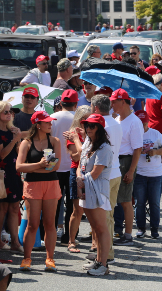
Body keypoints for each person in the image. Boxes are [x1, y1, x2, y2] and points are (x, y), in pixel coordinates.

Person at [16, 111, 61, 272]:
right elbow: (19, 166)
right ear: (38, 124)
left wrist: (35, 168)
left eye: (50, 121)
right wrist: (40, 165)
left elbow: (54, 167)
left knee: (49, 223)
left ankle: (50, 259)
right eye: (47, 122)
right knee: (33, 224)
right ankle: (26, 259)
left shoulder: (55, 141)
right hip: (32, 185)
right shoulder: (26, 143)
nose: (50, 124)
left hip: (51, 184)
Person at [86, 95, 122, 264]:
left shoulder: (102, 125)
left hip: (103, 176)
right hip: (114, 173)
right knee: (108, 218)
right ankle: (104, 254)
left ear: (96, 108)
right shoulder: (117, 122)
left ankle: (106, 256)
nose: (88, 128)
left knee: (103, 220)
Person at [77, 113, 113, 276]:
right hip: (86, 188)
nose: (88, 128)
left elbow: (96, 173)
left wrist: (80, 179)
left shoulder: (104, 147)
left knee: (101, 228)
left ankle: (103, 264)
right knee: (95, 228)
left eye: (92, 126)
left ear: (100, 128)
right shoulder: (87, 142)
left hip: (98, 191)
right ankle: (98, 261)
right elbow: (80, 164)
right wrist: (79, 177)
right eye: (87, 125)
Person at [0, 102, 24, 253]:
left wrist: (18, 139)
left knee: (14, 207)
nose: (9, 114)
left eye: (10, 112)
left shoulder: (11, 131)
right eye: (6, 112)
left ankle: (15, 241)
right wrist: (15, 139)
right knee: (2, 208)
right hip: (2, 175)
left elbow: (19, 152)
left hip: (14, 172)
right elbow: (1, 155)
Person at [110, 89, 143, 246]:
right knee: (118, 199)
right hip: (117, 160)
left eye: (114, 101)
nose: (111, 104)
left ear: (123, 101)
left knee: (125, 200)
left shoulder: (134, 122)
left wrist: (131, 170)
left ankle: (128, 235)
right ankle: (121, 232)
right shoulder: (117, 119)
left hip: (126, 161)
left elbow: (138, 149)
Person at [132, 110, 162, 239]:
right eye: (139, 123)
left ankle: (155, 229)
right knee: (139, 203)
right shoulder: (133, 134)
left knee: (155, 203)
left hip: (155, 174)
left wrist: (155, 152)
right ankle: (141, 228)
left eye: (144, 123)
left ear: (148, 122)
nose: (142, 126)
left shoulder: (155, 133)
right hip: (139, 174)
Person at [50, 89, 78, 246]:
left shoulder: (52, 118)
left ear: (61, 103)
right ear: (76, 104)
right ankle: (69, 236)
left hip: (56, 165)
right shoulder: (78, 118)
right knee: (72, 203)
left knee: (55, 203)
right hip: (73, 165)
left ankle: (51, 233)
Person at [62, 105, 91, 254]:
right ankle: (71, 241)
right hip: (76, 171)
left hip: (91, 171)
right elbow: (78, 156)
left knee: (93, 208)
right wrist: (82, 143)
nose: (86, 123)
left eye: (88, 119)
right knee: (77, 209)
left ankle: (95, 242)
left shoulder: (92, 133)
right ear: (78, 120)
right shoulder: (72, 134)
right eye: (84, 119)